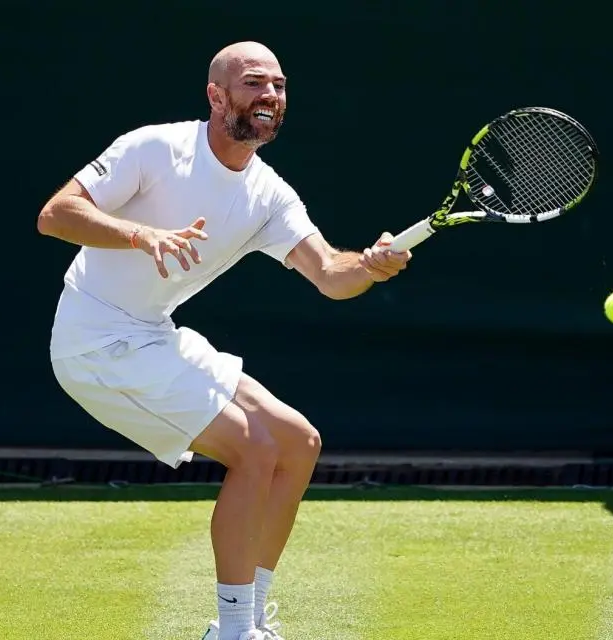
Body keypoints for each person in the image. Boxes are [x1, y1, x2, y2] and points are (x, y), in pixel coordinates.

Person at [36, 41, 411, 640]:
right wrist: (139, 235)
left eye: (280, 86)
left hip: (152, 335)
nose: (270, 96)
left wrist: (370, 265)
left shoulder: (269, 195)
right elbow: (56, 214)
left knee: (298, 443)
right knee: (254, 449)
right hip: (94, 342)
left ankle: (253, 618)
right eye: (254, 83)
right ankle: (233, 631)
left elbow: (330, 276)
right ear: (217, 95)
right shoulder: (155, 148)